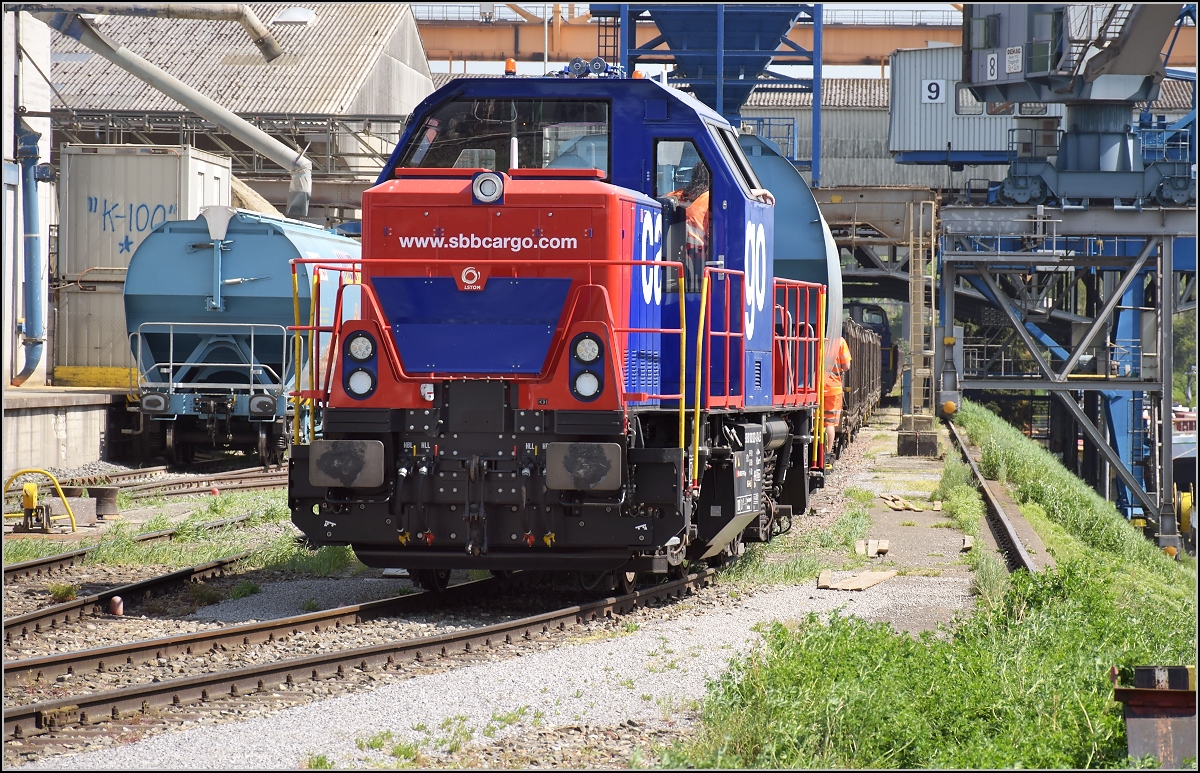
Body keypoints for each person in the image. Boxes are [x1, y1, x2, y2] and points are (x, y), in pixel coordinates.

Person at [823, 336, 853, 457]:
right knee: (829, 423)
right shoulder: (839, 341)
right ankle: (827, 453)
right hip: (832, 388)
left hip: (815, 387)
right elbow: (846, 366)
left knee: (814, 421)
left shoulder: (814, 335)